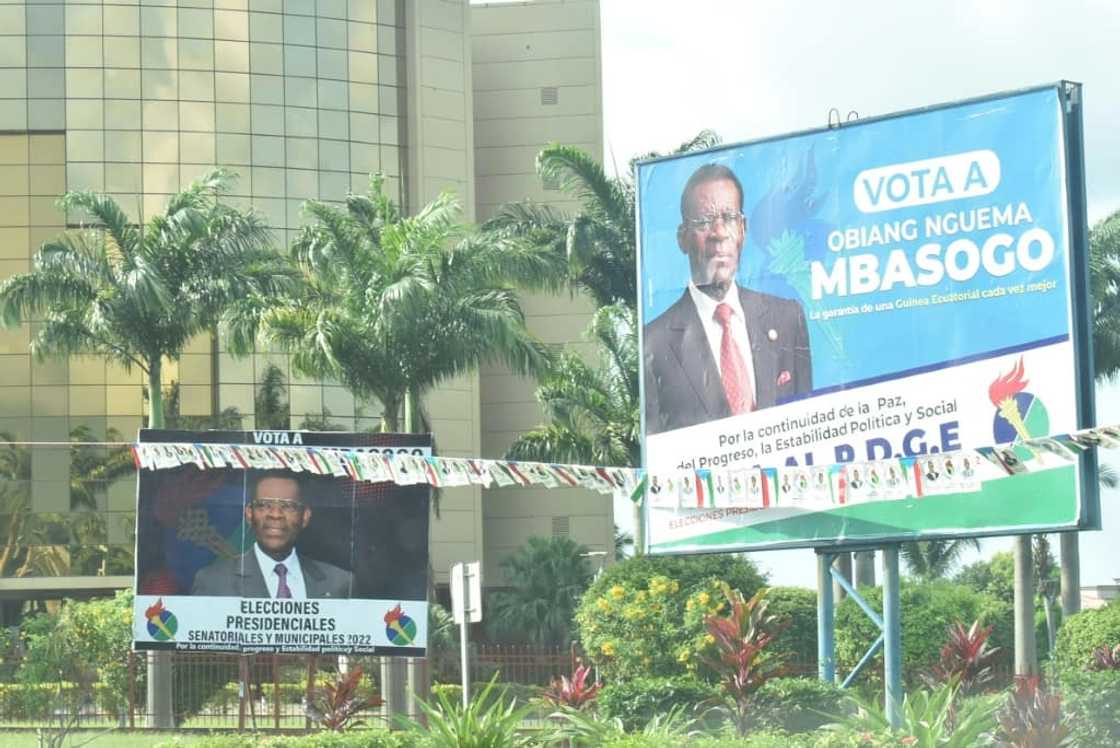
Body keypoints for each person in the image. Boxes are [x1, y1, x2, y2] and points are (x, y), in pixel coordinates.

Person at [643, 163, 813, 435]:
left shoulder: (787, 319)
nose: (719, 233)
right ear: (682, 238)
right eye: (703, 222)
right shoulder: (652, 343)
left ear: (743, 230)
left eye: (729, 218)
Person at [191, 470, 352, 598]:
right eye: (264, 505)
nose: (275, 514)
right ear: (249, 514)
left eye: (288, 506)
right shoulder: (212, 582)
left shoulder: (339, 583)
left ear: (305, 516)